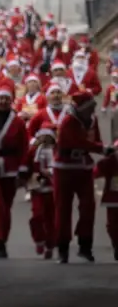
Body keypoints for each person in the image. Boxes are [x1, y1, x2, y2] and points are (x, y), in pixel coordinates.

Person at [53, 92, 106, 263]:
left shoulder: (92, 120)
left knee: (88, 207)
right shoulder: (69, 121)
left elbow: (95, 140)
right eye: (90, 106)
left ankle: (85, 244)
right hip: (65, 168)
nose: (93, 109)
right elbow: (78, 142)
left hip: (84, 167)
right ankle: (63, 247)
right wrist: (102, 149)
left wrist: (100, 147)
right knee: (63, 208)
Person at [0, 81, 26, 259]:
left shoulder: (17, 122)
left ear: (11, 101)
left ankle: (2, 240)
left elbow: (24, 147)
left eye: (5, 99)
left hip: (10, 167)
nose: (2, 102)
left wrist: (23, 169)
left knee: (6, 206)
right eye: (0, 98)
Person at [23, 126, 57, 259]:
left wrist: (50, 173)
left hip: (52, 188)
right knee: (37, 215)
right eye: (41, 138)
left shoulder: (56, 152)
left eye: (47, 138)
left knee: (51, 218)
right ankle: (39, 240)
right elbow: (25, 166)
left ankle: (50, 244)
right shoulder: (33, 151)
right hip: (36, 188)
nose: (44, 141)